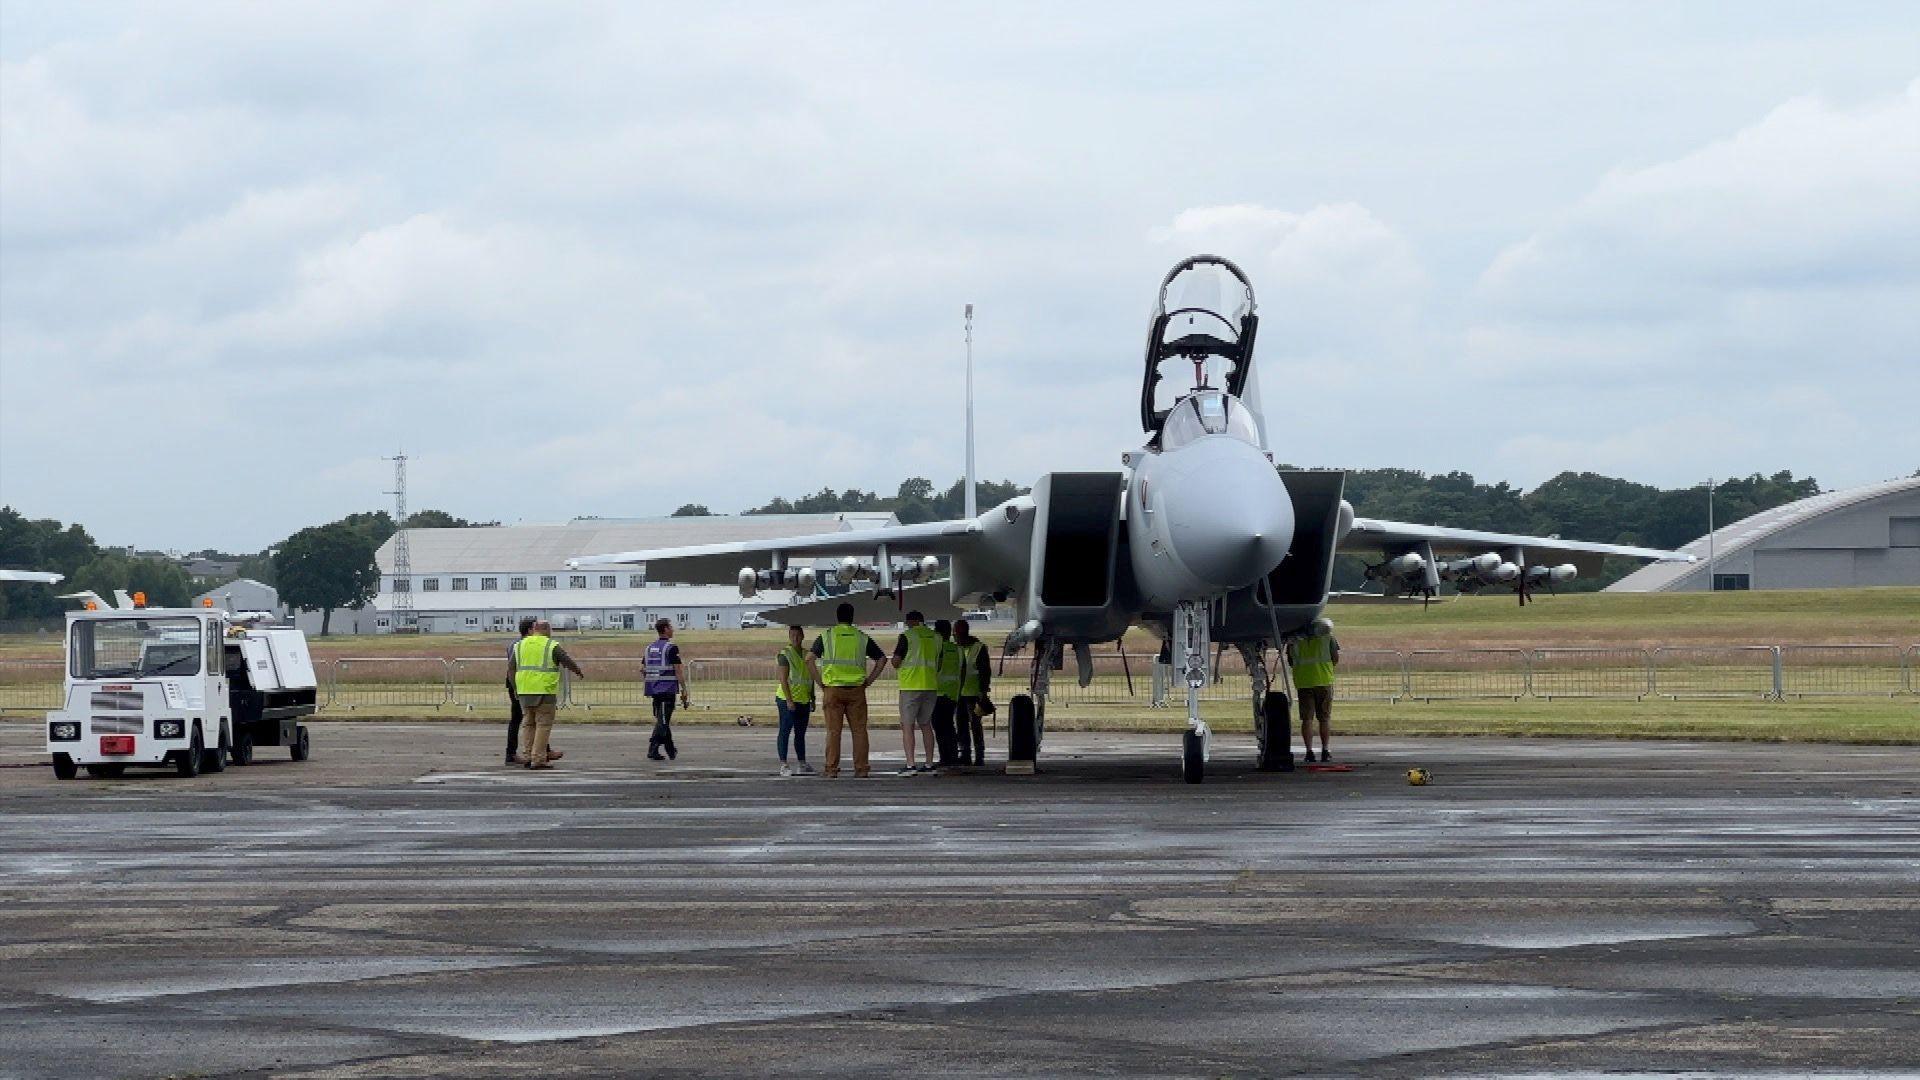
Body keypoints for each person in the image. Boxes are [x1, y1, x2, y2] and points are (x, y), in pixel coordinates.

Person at [812, 601, 887, 778]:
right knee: (859, 731)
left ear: (837, 617)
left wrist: (820, 682)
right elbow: (882, 659)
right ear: (853, 617)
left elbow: (809, 659)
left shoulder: (827, 636)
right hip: (856, 690)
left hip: (833, 689)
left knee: (833, 731)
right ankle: (861, 768)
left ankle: (831, 769)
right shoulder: (861, 637)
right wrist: (869, 681)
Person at [513, 619, 586, 769]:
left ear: (534, 629)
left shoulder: (520, 645)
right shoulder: (551, 645)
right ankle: (538, 758)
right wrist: (578, 671)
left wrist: (515, 688)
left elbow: (511, 668)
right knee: (543, 725)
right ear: (547, 630)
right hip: (544, 691)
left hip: (524, 691)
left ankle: (527, 755)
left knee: (528, 724)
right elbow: (566, 660)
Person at [890, 611, 940, 774]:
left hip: (910, 686)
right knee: (926, 725)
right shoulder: (936, 637)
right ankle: (929, 763)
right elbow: (939, 662)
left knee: (908, 726)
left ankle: (910, 764)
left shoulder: (907, 636)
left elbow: (896, 662)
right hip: (930, 685)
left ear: (911, 622)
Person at [1287, 617, 1341, 762]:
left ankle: (1309, 752)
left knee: (1307, 719)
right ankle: (1325, 750)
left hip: (1304, 683)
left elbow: (1291, 661)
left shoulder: (1294, 641)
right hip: (1324, 682)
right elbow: (1335, 658)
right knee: (1324, 718)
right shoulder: (1327, 638)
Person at [775, 623, 818, 776]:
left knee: (800, 733)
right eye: (792, 635)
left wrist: (812, 698)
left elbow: (810, 678)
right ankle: (784, 764)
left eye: (798, 635)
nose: (795, 638)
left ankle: (802, 762)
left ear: (803, 636)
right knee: (785, 731)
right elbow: (783, 679)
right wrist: (789, 700)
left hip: (804, 699)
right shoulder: (785, 654)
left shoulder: (807, 654)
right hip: (788, 699)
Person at [644, 618, 690, 761]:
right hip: (667, 689)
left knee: (663, 720)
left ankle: (670, 749)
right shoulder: (671, 648)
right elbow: (678, 671)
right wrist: (684, 689)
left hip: (654, 689)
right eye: (670, 627)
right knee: (663, 722)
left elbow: (642, 668)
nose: (673, 630)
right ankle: (653, 749)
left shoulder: (649, 648)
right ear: (664, 629)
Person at [953, 619, 992, 766]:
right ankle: (966, 754)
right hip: (959, 694)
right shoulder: (957, 647)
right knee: (962, 725)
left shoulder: (978, 648)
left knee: (974, 726)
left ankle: (979, 755)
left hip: (973, 694)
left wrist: (983, 691)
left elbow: (984, 672)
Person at [504, 616, 538, 766]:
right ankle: (511, 753)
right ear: (529, 630)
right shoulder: (520, 645)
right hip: (519, 684)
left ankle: (541, 749)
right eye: (535, 628)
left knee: (533, 716)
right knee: (522, 718)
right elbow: (512, 667)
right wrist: (516, 688)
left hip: (521, 683)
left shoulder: (514, 644)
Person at [930, 619, 963, 766]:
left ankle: (945, 756)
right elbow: (963, 670)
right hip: (953, 693)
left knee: (939, 726)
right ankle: (953, 755)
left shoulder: (937, 649)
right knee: (949, 725)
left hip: (937, 693)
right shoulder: (958, 649)